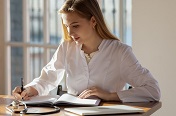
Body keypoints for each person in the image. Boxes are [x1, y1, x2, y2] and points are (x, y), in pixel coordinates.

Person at [13, 0, 161, 102]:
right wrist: (27, 90)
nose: (70, 32)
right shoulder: (67, 47)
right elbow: (47, 79)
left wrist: (110, 96)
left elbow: (153, 90)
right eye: (67, 26)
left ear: (93, 21)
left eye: (75, 26)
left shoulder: (120, 52)